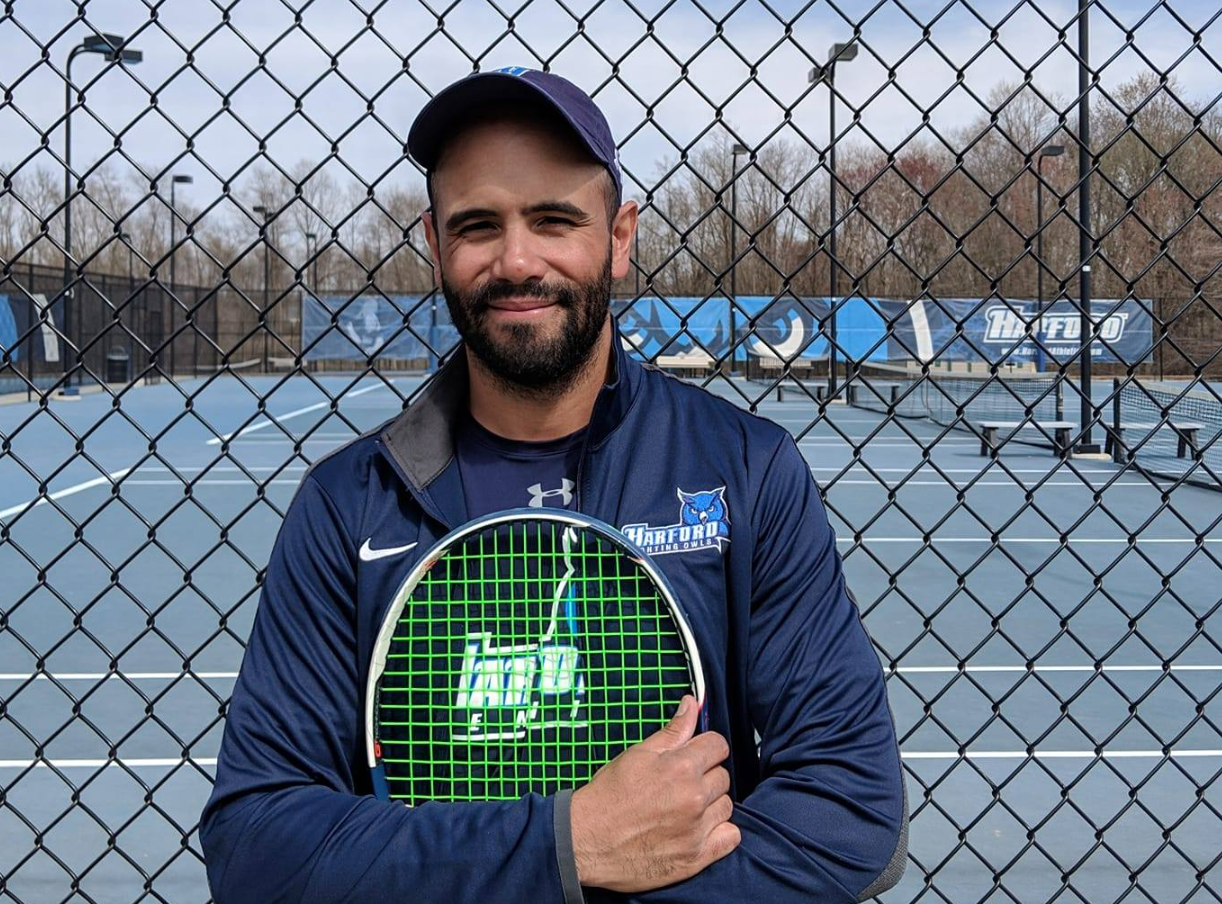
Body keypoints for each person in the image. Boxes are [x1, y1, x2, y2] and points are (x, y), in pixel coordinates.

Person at [200, 66, 907, 904]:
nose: (516, 259)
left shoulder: (745, 470)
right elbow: (255, 845)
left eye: (554, 220)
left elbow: (851, 802)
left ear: (618, 236)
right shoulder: (348, 502)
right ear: (435, 244)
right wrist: (564, 848)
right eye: (477, 226)